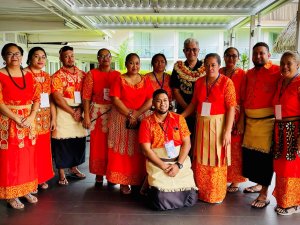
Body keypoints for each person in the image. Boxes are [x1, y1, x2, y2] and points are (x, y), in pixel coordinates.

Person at [182, 53, 236, 203]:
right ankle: (201, 192)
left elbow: (231, 108)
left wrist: (227, 131)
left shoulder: (227, 82)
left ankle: (215, 194)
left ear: (219, 66)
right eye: (207, 64)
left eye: (213, 65)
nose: (210, 68)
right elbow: (193, 104)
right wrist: (181, 116)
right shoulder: (199, 82)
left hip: (218, 125)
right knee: (200, 158)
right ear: (203, 66)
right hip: (201, 125)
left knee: (216, 159)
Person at [139, 89, 198, 210]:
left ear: (169, 102)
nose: (163, 103)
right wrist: (164, 166)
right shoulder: (146, 122)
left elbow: (187, 143)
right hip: (158, 163)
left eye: (165, 100)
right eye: (159, 101)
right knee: (160, 198)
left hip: (179, 161)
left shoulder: (179, 119)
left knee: (191, 197)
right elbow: (146, 150)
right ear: (153, 104)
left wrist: (178, 165)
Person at [241, 42, 281, 208]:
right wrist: (241, 121)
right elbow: (243, 100)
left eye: (261, 53)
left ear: (268, 55)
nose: (258, 56)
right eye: (255, 53)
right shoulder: (248, 74)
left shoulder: (277, 71)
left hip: (268, 122)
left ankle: (264, 193)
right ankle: (258, 185)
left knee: (265, 159)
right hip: (250, 122)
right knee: (252, 156)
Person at [107, 53, 153, 194]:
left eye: (137, 63)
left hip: (141, 118)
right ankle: (123, 181)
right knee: (123, 150)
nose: (135, 66)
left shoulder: (146, 80)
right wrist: (129, 114)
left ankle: (139, 179)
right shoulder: (119, 79)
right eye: (131, 63)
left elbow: (150, 100)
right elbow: (115, 99)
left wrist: (137, 114)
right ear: (126, 64)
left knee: (140, 149)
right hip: (121, 118)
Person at [0, 43, 39, 209]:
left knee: (27, 157)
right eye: (9, 54)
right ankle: (11, 194)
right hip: (8, 122)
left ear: (22, 56)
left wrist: (31, 116)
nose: (14, 57)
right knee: (10, 158)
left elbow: (36, 98)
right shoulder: (0, 75)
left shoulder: (28, 75)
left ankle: (25, 189)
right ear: (4, 57)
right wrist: (16, 117)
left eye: (17, 54)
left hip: (28, 123)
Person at [82, 48, 120, 185]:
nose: (105, 58)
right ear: (98, 59)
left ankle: (111, 174)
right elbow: (86, 97)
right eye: (102, 56)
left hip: (114, 113)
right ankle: (99, 174)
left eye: (107, 56)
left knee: (112, 145)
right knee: (98, 145)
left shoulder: (117, 75)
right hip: (97, 113)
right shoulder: (91, 74)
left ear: (111, 58)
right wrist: (86, 116)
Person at [51, 46, 87, 185]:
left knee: (78, 142)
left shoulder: (83, 74)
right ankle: (61, 173)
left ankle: (74, 168)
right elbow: (57, 97)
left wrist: (80, 110)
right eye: (66, 56)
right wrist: (72, 112)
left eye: (72, 55)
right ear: (60, 58)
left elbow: (87, 94)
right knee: (62, 142)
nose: (70, 58)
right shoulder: (57, 76)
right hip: (64, 111)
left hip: (79, 109)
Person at [272, 51, 300, 215]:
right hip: (280, 129)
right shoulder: (281, 81)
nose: (284, 66)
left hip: (294, 130)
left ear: (298, 65)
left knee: (292, 167)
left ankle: (293, 203)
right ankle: (283, 200)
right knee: (281, 167)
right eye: (282, 63)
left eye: (289, 63)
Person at [25, 47, 55, 191]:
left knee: (43, 149)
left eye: (43, 57)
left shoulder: (47, 76)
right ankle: (30, 180)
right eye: (36, 56)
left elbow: (51, 99)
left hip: (45, 117)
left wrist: (53, 118)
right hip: (30, 116)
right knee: (31, 150)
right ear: (30, 58)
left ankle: (41, 177)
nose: (40, 60)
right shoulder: (24, 74)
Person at [219, 47, 247, 193]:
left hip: (236, 114)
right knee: (222, 146)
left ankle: (235, 180)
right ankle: (223, 176)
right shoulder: (219, 71)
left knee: (235, 148)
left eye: (234, 56)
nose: (231, 58)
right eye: (228, 55)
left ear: (238, 58)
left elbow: (244, 99)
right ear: (224, 57)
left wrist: (241, 120)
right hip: (220, 114)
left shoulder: (242, 74)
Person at [170, 38, 204, 140]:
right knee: (184, 138)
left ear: (198, 50)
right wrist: (188, 109)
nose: (191, 52)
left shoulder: (205, 67)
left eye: (194, 49)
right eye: (188, 49)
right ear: (184, 51)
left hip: (201, 110)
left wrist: (195, 110)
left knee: (200, 139)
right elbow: (175, 91)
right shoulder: (178, 68)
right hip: (183, 108)